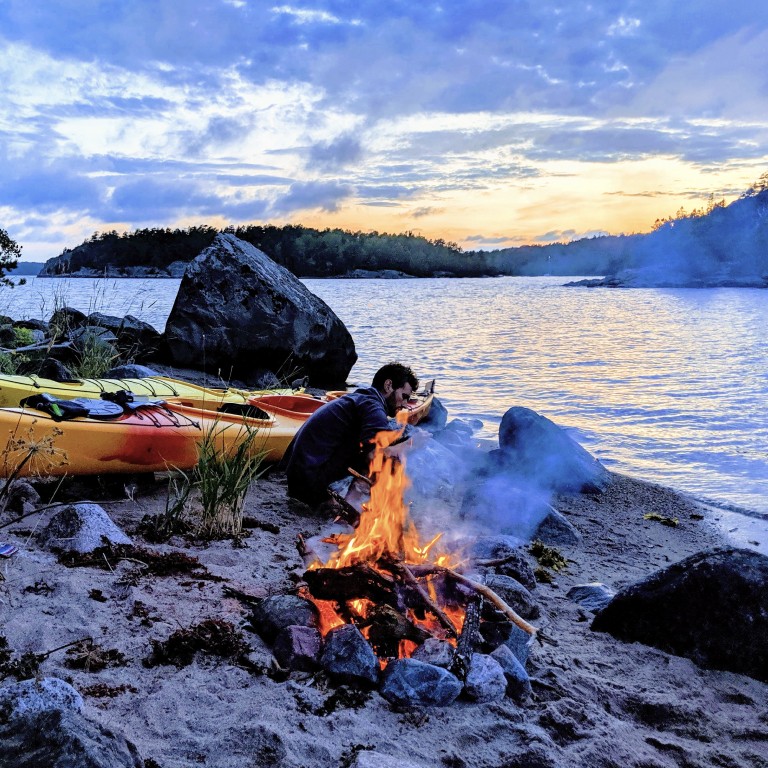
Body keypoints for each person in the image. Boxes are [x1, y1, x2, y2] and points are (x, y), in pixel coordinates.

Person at [282, 362, 419, 507]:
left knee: (377, 449)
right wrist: (411, 444)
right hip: (308, 483)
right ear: (388, 385)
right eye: (404, 396)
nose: (405, 404)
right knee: (385, 460)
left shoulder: (361, 399)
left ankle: (342, 501)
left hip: (297, 479)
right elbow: (375, 457)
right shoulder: (373, 407)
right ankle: (350, 506)